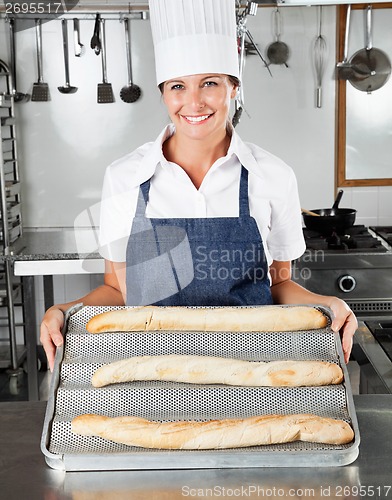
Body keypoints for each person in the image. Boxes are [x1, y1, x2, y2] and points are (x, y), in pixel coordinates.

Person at [40, 0, 357, 372]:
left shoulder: (273, 175)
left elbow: (278, 285)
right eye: (178, 86)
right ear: (163, 93)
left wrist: (327, 303)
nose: (193, 102)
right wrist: (64, 309)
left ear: (233, 87)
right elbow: (118, 291)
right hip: (154, 372)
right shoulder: (126, 176)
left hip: (254, 369)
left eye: (209, 83)